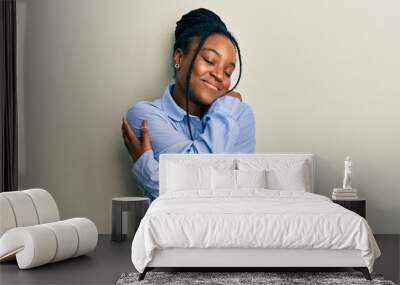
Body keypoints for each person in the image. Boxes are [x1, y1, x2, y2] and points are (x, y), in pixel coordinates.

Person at [121, 8, 255, 202]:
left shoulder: (239, 115)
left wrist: (148, 170)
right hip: (166, 232)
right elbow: (196, 189)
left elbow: (236, 198)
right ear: (179, 58)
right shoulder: (145, 116)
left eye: (228, 72)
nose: (219, 75)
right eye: (210, 61)